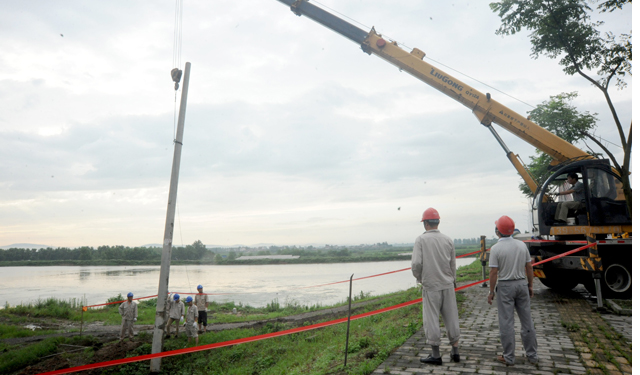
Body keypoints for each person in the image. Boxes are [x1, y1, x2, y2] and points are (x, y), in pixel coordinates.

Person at [411, 207, 460, 365]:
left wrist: (419, 277)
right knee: (451, 317)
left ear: (425, 223)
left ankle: (436, 355)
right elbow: (453, 264)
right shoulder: (447, 239)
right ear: (437, 222)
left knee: (431, 318)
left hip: (431, 285)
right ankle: (455, 351)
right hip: (447, 283)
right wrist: (453, 280)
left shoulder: (421, 240)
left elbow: (416, 263)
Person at [488, 215, 538, 366]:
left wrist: (491, 292)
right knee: (527, 321)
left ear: (498, 231)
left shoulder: (496, 249)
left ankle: (509, 357)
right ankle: (532, 355)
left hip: (505, 287)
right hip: (522, 284)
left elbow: (493, 272)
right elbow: (529, 267)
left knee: (507, 322)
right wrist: (530, 285)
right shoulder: (522, 245)